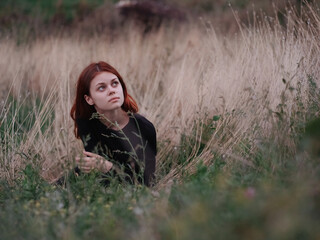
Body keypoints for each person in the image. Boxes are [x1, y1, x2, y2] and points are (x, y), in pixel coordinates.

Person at [70, 61, 156, 187]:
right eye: (101, 87)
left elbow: (146, 182)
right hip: (86, 184)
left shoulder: (143, 128)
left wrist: (108, 167)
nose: (111, 91)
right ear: (89, 99)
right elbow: (94, 171)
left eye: (115, 83)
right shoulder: (86, 122)